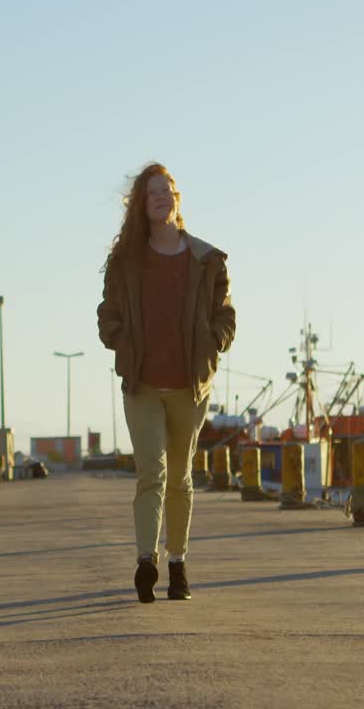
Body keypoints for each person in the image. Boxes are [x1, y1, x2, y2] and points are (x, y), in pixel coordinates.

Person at [96, 162, 236, 603]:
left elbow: (225, 316)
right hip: (142, 385)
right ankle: (145, 561)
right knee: (150, 474)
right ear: (141, 203)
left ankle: (177, 564)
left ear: (178, 200)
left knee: (180, 479)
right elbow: (108, 316)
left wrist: (213, 344)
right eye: (153, 192)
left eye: (169, 190)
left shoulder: (206, 260)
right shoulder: (126, 261)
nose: (163, 196)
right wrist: (121, 344)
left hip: (189, 386)